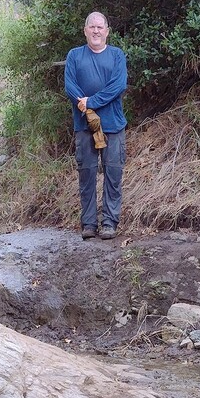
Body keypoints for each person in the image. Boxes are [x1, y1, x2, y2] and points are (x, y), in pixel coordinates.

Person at [64, 12, 127, 240]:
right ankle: (89, 224)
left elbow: (118, 85)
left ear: (107, 31)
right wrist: (85, 107)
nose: (96, 31)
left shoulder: (117, 56)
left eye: (100, 27)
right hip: (84, 127)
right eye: (92, 27)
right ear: (85, 30)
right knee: (87, 176)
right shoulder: (74, 56)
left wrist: (92, 102)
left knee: (113, 175)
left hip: (113, 127)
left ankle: (110, 222)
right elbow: (70, 87)